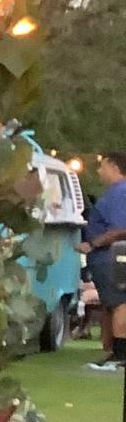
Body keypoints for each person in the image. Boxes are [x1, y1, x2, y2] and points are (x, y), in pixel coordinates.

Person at [77, 150, 126, 370]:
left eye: (102, 166)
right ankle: (114, 350)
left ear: (115, 167)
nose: (98, 171)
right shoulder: (114, 193)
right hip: (106, 259)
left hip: (112, 258)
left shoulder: (120, 192)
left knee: (120, 303)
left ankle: (120, 354)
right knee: (112, 303)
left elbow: (120, 228)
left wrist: (93, 244)